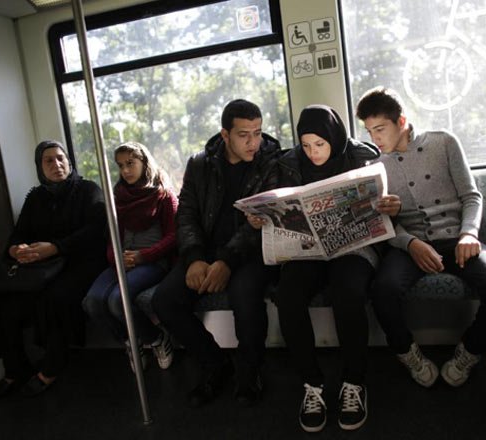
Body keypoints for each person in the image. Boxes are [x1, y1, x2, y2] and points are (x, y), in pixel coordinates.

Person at [355, 86, 486, 388]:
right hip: (410, 244)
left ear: (401, 121)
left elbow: (471, 196)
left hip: (457, 237)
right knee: (383, 291)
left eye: (380, 129)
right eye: (369, 131)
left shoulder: (444, 142)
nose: (375, 139)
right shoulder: (375, 166)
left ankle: (470, 351)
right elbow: (383, 222)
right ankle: (408, 353)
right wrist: (410, 243)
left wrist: (469, 234)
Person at [248, 105, 396, 433]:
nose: (313, 152)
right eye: (306, 145)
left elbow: (386, 205)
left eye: (320, 144)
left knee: (348, 293)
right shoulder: (287, 164)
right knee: (288, 296)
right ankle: (311, 384)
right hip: (307, 251)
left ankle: (354, 382)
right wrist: (261, 219)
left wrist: (390, 205)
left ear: (334, 138)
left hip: (354, 247)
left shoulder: (362, 156)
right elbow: (275, 207)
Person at [151, 99, 281, 408]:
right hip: (206, 249)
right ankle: (214, 363)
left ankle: (250, 370)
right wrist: (195, 257)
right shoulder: (200, 164)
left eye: (257, 133)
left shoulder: (272, 162)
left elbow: (262, 222)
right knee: (165, 300)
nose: (253, 142)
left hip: (252, 251)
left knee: (245, 294)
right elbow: (186, 214)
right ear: (225, 135)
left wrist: (227, 260)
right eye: (244, 135)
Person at [0, 140, 107, 397]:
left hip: (81, 263)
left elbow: (96, 231)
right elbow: (20, 234)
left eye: (61, 158)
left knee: (55, 297)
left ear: (69, 162)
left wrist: (55, 247)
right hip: (44, 267)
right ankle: (15, 369)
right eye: (48, 160)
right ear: (39, 167)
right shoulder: (36, 198)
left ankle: (52, 366)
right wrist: (15, 250)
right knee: (0, 302)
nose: (56, 164)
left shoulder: (88, 190)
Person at [82, 142, 177, 372]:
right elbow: (112, 238)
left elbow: (174, 236)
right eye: (121, 165)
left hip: (153, 261)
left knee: (117, 300)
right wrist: (116, 259)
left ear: (144, 163)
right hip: (122, 261)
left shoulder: (163, 194)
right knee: (91, 302)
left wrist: (143, 256)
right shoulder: (118, 197)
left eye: (131, 163)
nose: (125, 170)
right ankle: (130, 341)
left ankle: (156, 338)